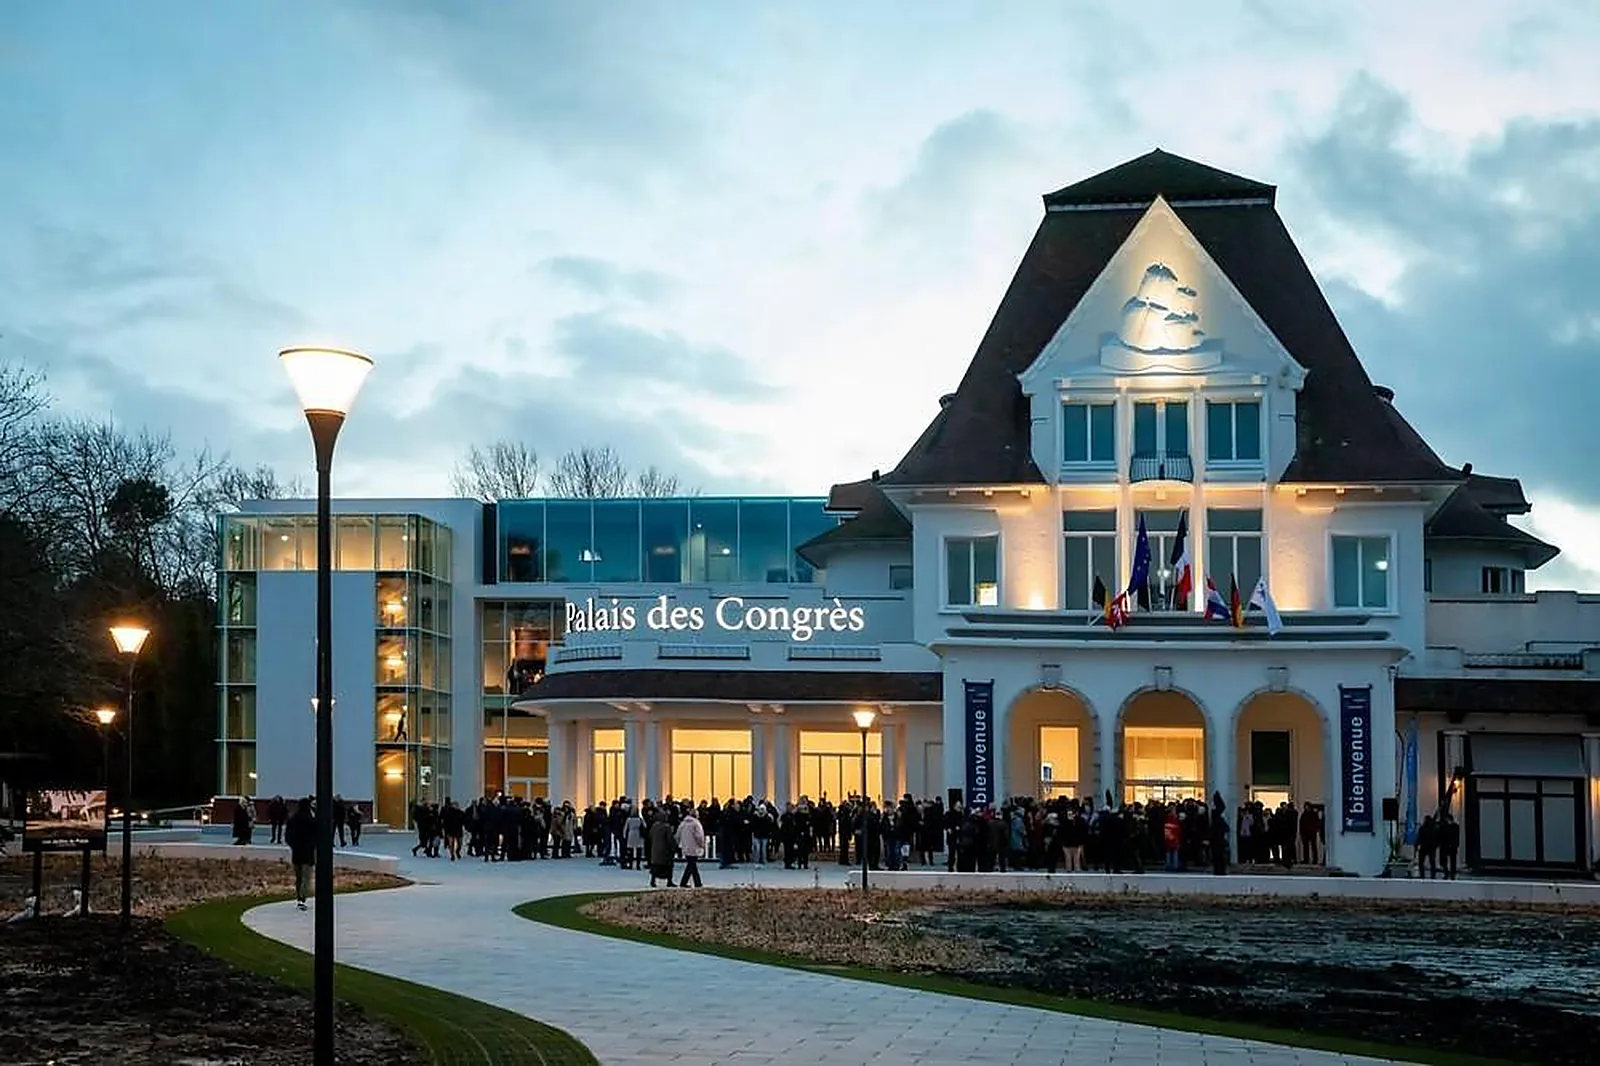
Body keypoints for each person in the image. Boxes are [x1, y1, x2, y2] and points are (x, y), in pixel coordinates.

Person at [285, 797, 316, 911]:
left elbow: (288, 836)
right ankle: (302, 899)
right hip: (308, 852)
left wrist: (294, 846)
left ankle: (299, 897)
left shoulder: (293, 819)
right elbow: (317, 833)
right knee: (306, 877)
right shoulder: (311, 820)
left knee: (298, 877)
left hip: (296, 852)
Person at [676, 804, 706, 888]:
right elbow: (699, 836)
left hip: (685, 847)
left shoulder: (683, 823)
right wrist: (702, 845)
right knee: (692, 865)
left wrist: (678, 844)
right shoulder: (696, 824)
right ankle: (697, 883)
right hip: (694, 847)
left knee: (691, 865)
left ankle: (685, 882)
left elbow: (678, 835)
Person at [647, 812, 677, 888]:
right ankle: (669, 881)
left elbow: (650, 836)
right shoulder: (667, 827)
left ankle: (653, 881)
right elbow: (670, 839)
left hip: (655, 850)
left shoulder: (654, 826)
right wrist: (674, 847)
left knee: (655, 866)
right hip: (665, 850)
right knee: (668, 866)